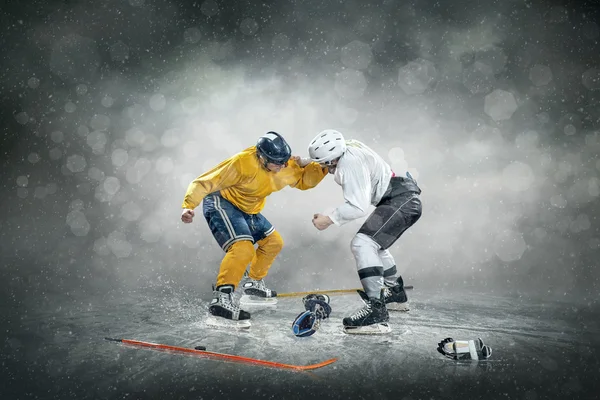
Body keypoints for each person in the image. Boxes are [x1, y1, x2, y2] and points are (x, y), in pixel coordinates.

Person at [180, 131, 328, 328]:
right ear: (261, 157)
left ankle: (253, 284)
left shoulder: (283, 165)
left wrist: (323, 165)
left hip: (248, 209)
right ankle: (221, 301)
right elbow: (204, 182)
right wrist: (189, 206)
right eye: (277, 162)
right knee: (243, 249)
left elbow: (304, 181)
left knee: (274, 243)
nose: (282, 166)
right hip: (222, 202)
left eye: (284, 161)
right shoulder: (242, 162)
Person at [306, 129, 422, 334]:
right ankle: (396, 294)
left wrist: (328, 219)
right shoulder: (347, 145)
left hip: (400, 200)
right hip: (401, 196)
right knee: (375, 246)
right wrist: (304, 161)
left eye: (325, 163)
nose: (325, 168)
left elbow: (358, 207)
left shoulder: (348, 165)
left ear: (333, 159)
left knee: (362, 243)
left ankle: (376, 314)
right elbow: (329, 155)